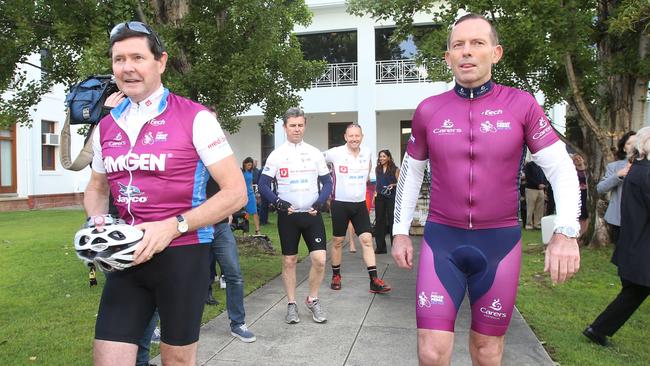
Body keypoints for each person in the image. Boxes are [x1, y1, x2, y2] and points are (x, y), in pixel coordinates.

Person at [392, 14, 581, 365]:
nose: (467, 52)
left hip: (499, 245)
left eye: (477, 43)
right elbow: (411, 173)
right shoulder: (429, 110)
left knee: (486, 351)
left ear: (495, 53)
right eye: (458, 45)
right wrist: (400, 231)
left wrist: (566, 231)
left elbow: (561, 169)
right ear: (447, 57)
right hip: (442, 243)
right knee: (431, 352)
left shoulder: (521, 105)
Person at [83, 21, 246, 365]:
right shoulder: (107, 125)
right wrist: (96, 220)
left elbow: (236, 193)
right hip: (126, 257)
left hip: (183, 256)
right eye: (119, 59)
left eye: (138, 57)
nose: (127, 67)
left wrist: (172, 226)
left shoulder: (196, 118)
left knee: (177, 361)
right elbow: (97, 187)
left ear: (161, 62)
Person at [258, 107, 333, 324]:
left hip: (311, 215)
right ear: (285, 127)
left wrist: (320, 202)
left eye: (300, 125)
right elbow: (263, 185)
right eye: (293, 126)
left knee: (319, 259)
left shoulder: (314, 153)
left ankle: (312, 298)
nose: (297, 129)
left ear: (305, 126)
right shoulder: (277, 154)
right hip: (288, 217)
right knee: (289, 260)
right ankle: (291, 304)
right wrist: (278, 203)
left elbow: (327, 182)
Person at [583, 127, 650, 346]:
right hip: (641, 241)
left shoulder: (638, 169)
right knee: (635, 290)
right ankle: (597, 329)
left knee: (634, 291)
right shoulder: (644, 172)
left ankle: (598, 329)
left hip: (636, 240)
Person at [324, 124, 392, 293]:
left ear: (362, 136)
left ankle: (374, 280)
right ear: (345, 137)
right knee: (338, 242)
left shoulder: (367, 152)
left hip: (360, 204)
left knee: (367, 240)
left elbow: (368, 171)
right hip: (340, 203)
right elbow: (317, 161)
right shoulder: (335, 153)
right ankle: (336, 275)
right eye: (351, 136)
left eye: (357, 136)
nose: (354, 139)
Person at [205, 176, 256, 342]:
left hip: (220, 227)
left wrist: (229, 211)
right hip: (194, 227)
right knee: (184, 277)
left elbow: (231, 187)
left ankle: (238, 324)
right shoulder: (186, 160)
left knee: (234, 275)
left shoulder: (217, 162)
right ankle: (175, 327)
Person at [596, 131, 636, 244]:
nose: (633, 146)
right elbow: (600, 188)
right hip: (620, 219)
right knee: (622, 255)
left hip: (642, 218)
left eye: (636, 142)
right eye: (629, 143)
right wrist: (618, 175)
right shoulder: (614, 167)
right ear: (624, 148)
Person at [374, 149, 399, 254]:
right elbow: (378, 183)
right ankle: (380, 247)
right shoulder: (377, 169)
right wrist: (374, 195)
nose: (382, 158)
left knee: (392, 220)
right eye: (380, 156)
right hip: (379, 197)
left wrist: (393, 185)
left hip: (391, 197)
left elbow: (401, 183)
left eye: (384, 156)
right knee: (379, 220)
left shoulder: (395, 169)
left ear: (389, 157)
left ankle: (395, 246)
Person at [523, 160, 547, 229]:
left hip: (541, 190)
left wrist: (544, 184)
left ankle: (537, 224)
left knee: (540, 208)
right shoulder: (529, 165)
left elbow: (545, 176)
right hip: (531, 189)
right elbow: (528, 177)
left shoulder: (541, 165)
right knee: (530, 207)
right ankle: (529, 225)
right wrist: (538, 184)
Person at [242, 157, 261, 235]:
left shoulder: (251, 172)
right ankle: (245, 231)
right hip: (243, 194)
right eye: (249, 165)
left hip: (251, 194)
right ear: (245, 164)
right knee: (245, 213)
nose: (250, 166)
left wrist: (254, 193)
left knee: (255, 212)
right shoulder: (241, 172)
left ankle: (257, 230)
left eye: (251, 165)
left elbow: (251, 183)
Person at [573, 153, 589, 238]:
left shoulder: (588, 169)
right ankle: (581, 233)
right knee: (582, 214)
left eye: (579, 158)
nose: (578, 160)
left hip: (588, 193)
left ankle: (586, 232)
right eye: (576, 159)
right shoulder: (573, 171)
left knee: (588, 213)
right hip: (579, 194)